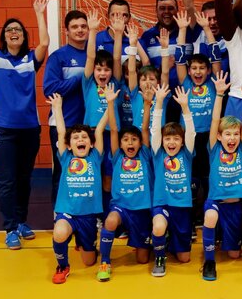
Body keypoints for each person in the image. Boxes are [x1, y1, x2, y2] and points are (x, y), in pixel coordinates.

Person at [0, 0, 49, 249]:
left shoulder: (30, 60)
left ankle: (21, 221)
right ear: (4, 37)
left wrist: (39, 13)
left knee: (24, 179)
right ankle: (9, 228)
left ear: (23, 36)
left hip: (29, 128)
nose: (13, 32)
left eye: (17, 29)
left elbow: (44, 43)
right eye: (9, 30)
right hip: (1, 130)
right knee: (7, 180)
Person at [201, 74, 242, 281]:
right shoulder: (215, 148)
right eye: (227, 134)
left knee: (234, 254)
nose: (232, 138)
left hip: (234, 207)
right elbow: (215, 121)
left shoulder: (241, 149)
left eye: (235, 134)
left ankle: (220, 239)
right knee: (210, 217)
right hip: (216, 202)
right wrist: (219, 95)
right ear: (219, 136)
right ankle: (209, 262)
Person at [47, 93, 108, 284]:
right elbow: (60, 132)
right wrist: (57, 108)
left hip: (88, 216)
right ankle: (63, 266)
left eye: (84, 137)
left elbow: (99, 129)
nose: (80, 139)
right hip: (68, 212)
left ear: (91, 143)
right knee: (59, 232)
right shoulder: (66, 158)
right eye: (75, 137)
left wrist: (110, 104)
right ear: (69, 145)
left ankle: (83, 242)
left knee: (89, 261)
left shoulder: (95, 157)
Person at [97, 83, 153, 281]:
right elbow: (114, 129)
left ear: (140, 143)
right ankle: (105, 261)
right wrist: (110, 103)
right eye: (126, 139)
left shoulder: (145, 155)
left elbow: (144, 128)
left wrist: (147, 104)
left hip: (142, 211)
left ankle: (147, 240)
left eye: (134, 139)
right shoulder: (117, 156)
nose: (130, 142)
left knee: (142, 260)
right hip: (121, 207)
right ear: (120, 144)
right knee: (111, 221)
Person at [175, 9, 221, 234]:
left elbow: (215, 56)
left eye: (202, 68)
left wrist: (206, 29)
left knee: (208, 178)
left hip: (209, 137)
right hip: (189, 137)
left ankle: (210, 218)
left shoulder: (213, 82)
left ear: (208, 70)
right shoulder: (185, 82)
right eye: (194, 68)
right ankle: (191, 220)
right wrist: (182, 30)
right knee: (190, 179)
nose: (197, 71)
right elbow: (179, 58)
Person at [150, 84, 196, 277]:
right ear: (162, 141)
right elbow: (155, 130)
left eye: (176, 139)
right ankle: (159, 257)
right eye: (167, 139)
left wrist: (185, 107)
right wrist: (159, 102)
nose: (171, 142)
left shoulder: (187, 154)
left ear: (182, 141)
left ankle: (168, 239)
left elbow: (191, 132)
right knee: (159, 226)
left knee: (184, 258)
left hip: (182, 206)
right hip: (162, 203)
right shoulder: (158, 154)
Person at [43, 10, 88, 207]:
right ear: (67, 31)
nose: (80, 30)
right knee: (63, 171)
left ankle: (86, 213)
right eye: (75, 27)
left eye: (83, 26)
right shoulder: (58, 57)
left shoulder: (93, 55)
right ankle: (59, 214)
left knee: (87, 171)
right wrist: (80, 77)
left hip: (88, 125)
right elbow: (50, 89)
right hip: (64, 124)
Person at [84, 9, 123, 196]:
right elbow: (91, 57)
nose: (102, 73)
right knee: (92, 175)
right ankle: (94, 210)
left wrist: (118, 34)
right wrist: (92, 31)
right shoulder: (88, 83)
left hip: (110, 134)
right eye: (99, 69)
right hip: (91, 133)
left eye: (106, 70)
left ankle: (109, 209)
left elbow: (116, 58)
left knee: (109, 176)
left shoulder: (114, 82)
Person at [126, 22, 170, 131]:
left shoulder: (162, 95)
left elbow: (165, 72)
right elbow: (131, 71)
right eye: (143, 79)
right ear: (138, 83)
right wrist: (133, 45)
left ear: (158, 83)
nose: (148, 82)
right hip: (139, 139)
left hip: (158, 139)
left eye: (152, 79)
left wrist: (164, 48)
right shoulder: (135, 94)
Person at [96, 0, 149, 65]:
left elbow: (147, 68)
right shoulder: (97, 39)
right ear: (107, 16)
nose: (119, 19)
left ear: (129, 18)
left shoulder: (139, 43)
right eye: (115, 15)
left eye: (124, 15)